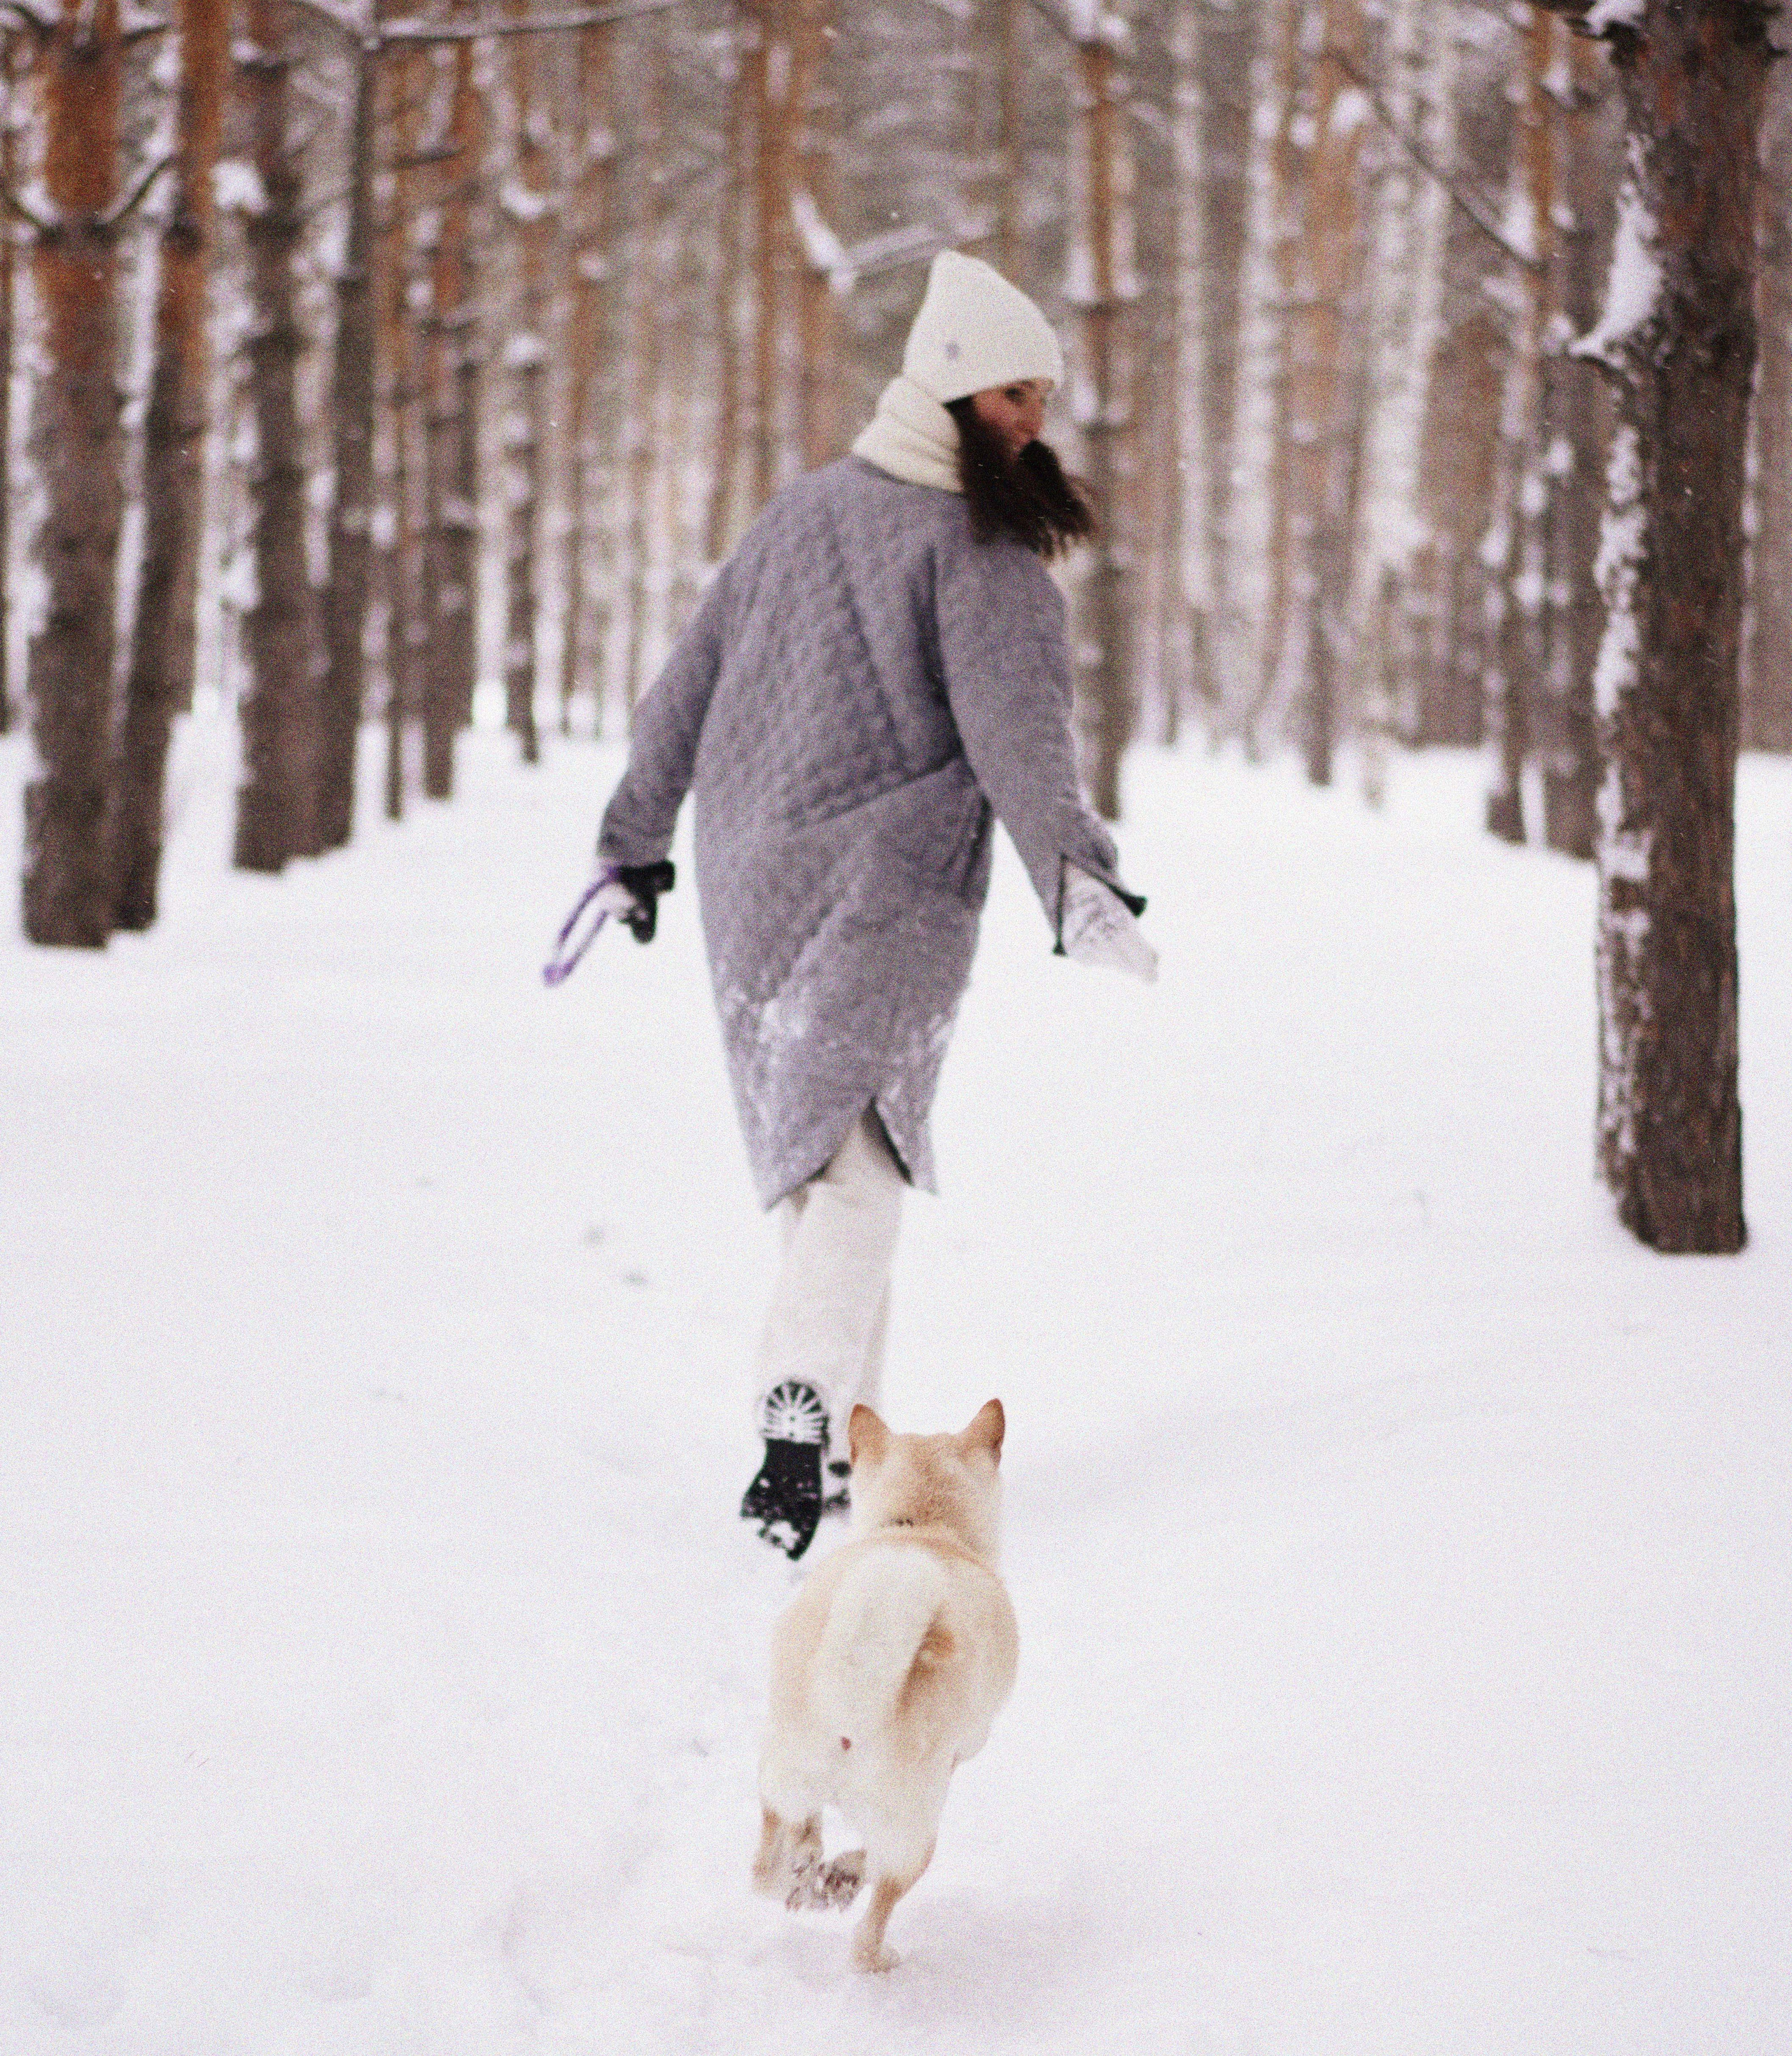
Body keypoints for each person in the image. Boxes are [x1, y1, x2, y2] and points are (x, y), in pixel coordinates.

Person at [590, 250, 1156, 1560]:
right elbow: (1023, 742)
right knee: (862, 1166)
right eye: (1014, 395)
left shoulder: (799, 512)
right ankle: (800, 1416)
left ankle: (840, 1451)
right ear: (953, 388)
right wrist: (1077, 880)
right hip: (887, 887)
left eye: (1043, 396)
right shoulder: (982, 555)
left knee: (828, 1164)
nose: (1034, 422)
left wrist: (636, 842)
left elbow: (680, 687)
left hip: (750, 878)